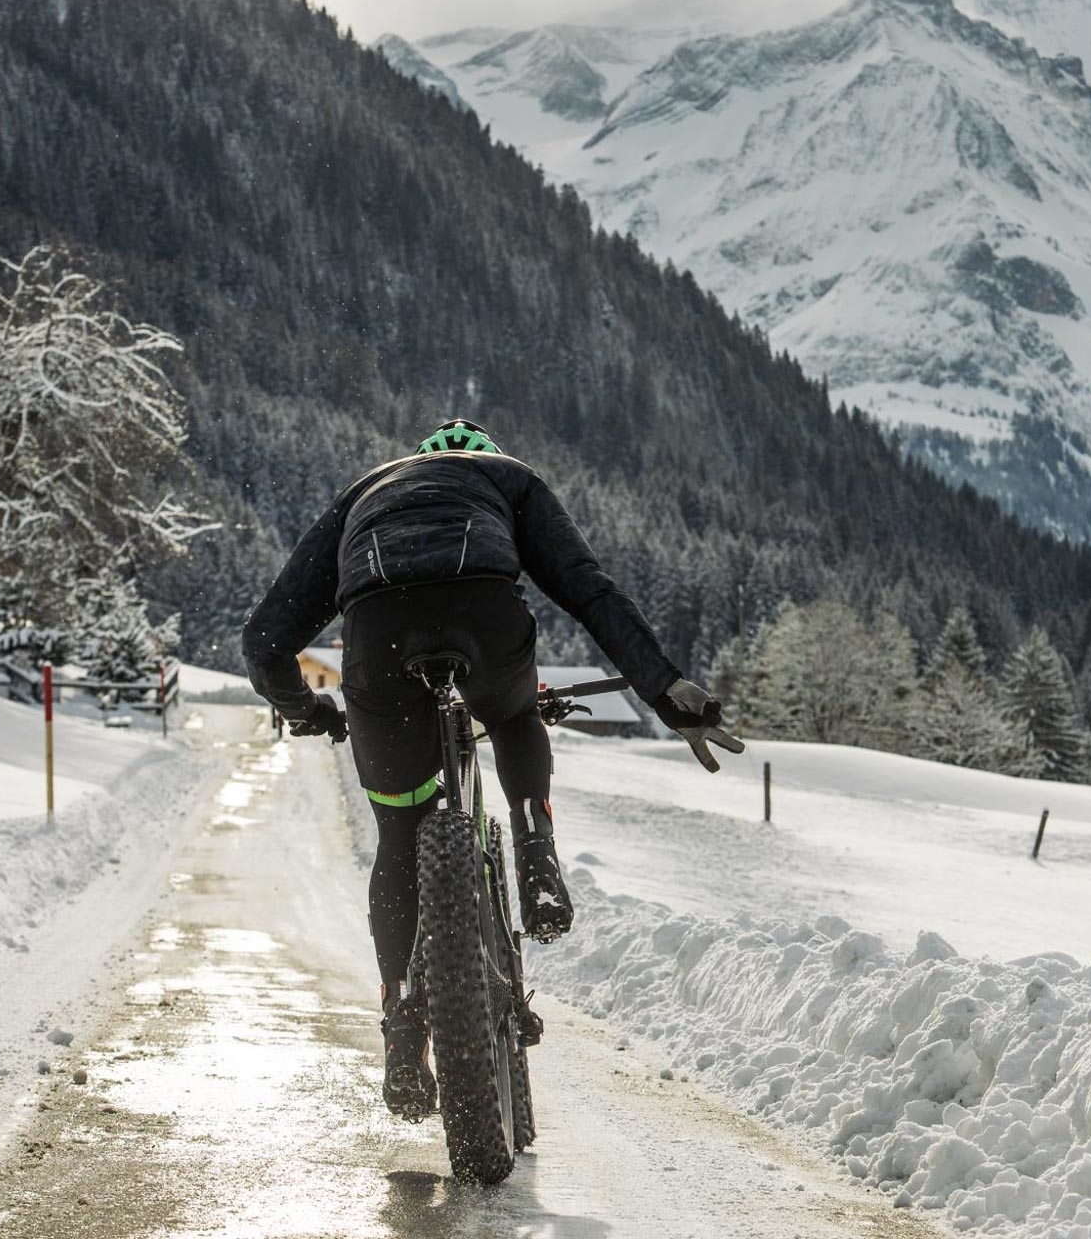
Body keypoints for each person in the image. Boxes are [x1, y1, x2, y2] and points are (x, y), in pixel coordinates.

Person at [241, 418, 742, 1116]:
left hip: (379, 638)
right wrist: (663, 687)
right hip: (484, 615)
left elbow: (265, 640)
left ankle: (401, 1028)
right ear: (488, 460)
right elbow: (589, 592)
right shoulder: (511, 480)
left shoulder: (364, 493)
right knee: (514, 714)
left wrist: (308, 710)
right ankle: (535, 846)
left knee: (399, 833)